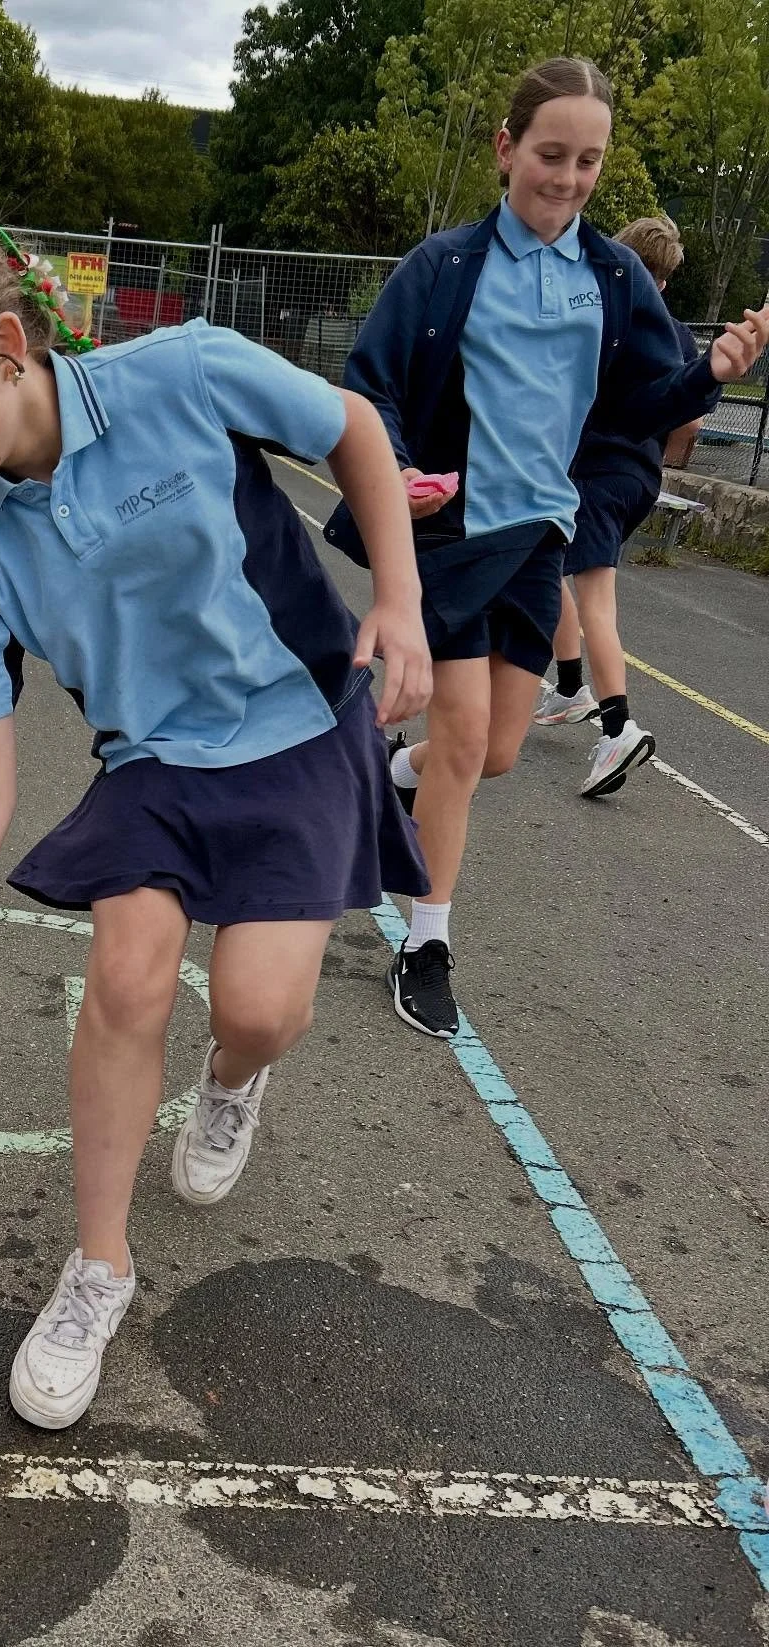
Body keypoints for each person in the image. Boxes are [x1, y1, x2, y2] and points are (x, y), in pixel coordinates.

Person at [0, 198, 432, 1431]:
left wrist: (396, 600)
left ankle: (235, 1080)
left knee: (259, 1009)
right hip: (152, 763)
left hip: (300, 731)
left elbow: (354, 428)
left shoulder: (182, 374)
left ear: (6, 343)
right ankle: (99, 1268)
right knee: (128, 975)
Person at [325, 55, 769, 1040]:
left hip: (539, 537)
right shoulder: (442, 267)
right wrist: (395, 465)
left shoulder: (612, 277)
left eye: (588, 162)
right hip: (445, 533)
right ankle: (427, 944)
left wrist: (711, 375)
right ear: (507, 148)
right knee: (471, 735)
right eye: (550, 154)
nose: (566, 179)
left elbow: (640, 405)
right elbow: (371, 383)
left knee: (496, 752)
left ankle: (384, 768)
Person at [535, 214, 711, 796]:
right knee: (548, 560)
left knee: (596, 603)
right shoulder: (675, 333)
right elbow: (691, 416)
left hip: (598, 473)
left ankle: (617, 727)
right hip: (637, 476)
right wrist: (662, 448)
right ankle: (568, 686)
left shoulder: (603, 315)